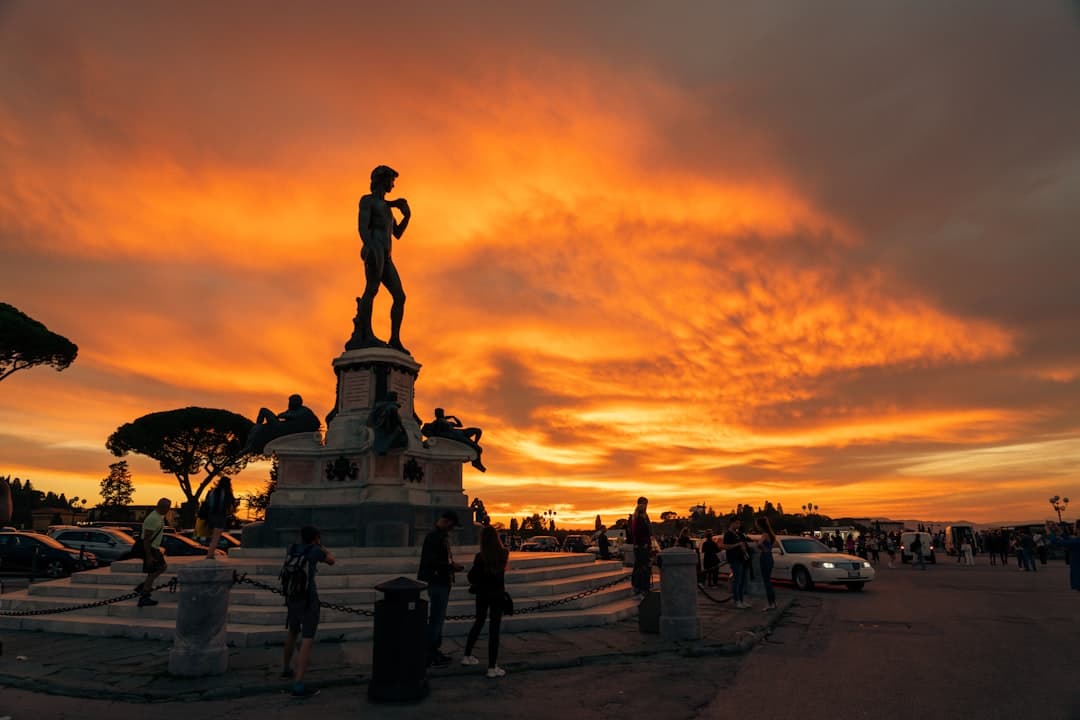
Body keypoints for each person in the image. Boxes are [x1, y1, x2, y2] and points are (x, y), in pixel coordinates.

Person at [348, 164, 412, 353]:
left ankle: (394, 339)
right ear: (382, 180)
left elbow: (397, 233)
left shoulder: (387, 208)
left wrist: (407, 216)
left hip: (387, 254)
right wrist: (369, 246)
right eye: (392, 180)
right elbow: (362, 226)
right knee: (372, 289)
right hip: (374, 249)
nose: (394, 184)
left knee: (399, 296)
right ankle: (366, 333)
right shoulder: (368, 201)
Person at [281, 525, 336, 698]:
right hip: (308, 598)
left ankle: (286, 669)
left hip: (292, 596)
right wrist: (321, 546)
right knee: (307, 638)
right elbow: (332, 560)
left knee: (292, 631)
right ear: (316, 538)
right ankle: (298, 683)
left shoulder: (292, 548)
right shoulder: (315, 551)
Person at [462, 525, 510, 677]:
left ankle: (467, 655)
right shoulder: (504, 553)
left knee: (478, 622)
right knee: (494, 629)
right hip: (497, 594)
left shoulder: (480, 556)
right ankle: (491, 666)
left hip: (482, 594)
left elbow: (472, 577)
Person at [418, 510, 465, 666]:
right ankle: (431, 653)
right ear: (446, 521)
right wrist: (452, 567)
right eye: (452, 525)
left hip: (442, 581)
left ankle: (433, 651)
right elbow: (432, 562)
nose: (452, 529)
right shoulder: (435, 537)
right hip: (438, 581)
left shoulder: (439, 536)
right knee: (437, 619)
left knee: (437, 618)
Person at [244, 394, 321, 455]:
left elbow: (290, 415)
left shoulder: (304, 410)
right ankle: (256, 430)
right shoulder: (293, 410)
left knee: (263, 410)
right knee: (259, 425)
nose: (289, 403)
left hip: (281, 428)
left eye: (291, 401)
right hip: (282, 426)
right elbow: (285, 414)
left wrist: (284, 415)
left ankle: (255, 431)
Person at [422, 408, 486, 472]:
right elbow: (436, 432)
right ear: (436, 414)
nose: (441, 414)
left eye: (441, 412)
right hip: (455, 436)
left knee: (478, 431)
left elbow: (460, 425)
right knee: (477, 448)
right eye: (439, 413)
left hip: (461, 432)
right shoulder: (437, 422)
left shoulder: (447, 422)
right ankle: (476, 463)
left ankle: (476, 444)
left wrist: (453, 417)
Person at [135, 498, 171, 607]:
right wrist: (149, 556)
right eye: (168, 507)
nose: (168, 510)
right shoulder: (153, 518)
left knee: (160, 568)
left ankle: (143, 587)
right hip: (150, 548)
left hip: (154, 548)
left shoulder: (158, 517)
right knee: (156, 569)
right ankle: (144, 595)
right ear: (163, 507)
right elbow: (146, 539)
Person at [203, 476, 235, 559]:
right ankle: (210, 554)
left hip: (210, 516)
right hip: (220, 516)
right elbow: (231, 505)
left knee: (211, 536)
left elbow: (206, 503)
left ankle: (209, 553)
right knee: (216, 537)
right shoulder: (228, 493)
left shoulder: (211, 491)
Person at [723, 519, 751, 608]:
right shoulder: (728, 534)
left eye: (739, 523)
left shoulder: (739, 534)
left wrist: (744, 546)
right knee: (737, 581)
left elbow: (745, 542)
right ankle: (737, 601)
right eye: (737, 523)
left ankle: (741, 600)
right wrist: (738, 545)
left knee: (742, 581)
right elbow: (726, 546)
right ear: (732, 523)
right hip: (735, 560)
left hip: (742, 559)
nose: (738, 525)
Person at [629, 497, 652, 597]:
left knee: (643, 567)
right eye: (644, 504)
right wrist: (643, 543)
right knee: (641, 567)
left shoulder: (644, 517)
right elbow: (636, 532)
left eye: (646, 504)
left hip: (644, 545)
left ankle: (641, 587)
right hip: (641, 546)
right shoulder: (637, 517)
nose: (645, 506)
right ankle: (640, 587)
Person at [755, 517, 778, 611]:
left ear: (760, 525)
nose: (756, 527)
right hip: (770, 557)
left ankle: (771, 604)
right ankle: (773, 603)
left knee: (766, 581)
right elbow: (775, 544)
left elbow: (759, 544)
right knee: (768, 580)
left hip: (764, 557)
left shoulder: (764, 534)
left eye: (757, 525)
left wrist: (762, 548)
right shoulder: (771, 534)